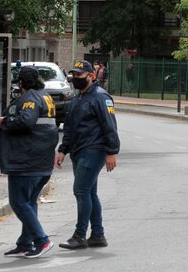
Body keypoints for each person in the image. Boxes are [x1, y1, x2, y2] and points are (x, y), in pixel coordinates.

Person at [55, 60, 120, 250]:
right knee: (90, 193)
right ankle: (98, 235)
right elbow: (69, 128)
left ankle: (79, 235)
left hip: (94, 150)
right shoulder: (77, 99)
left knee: (81, 191)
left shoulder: (101, 97)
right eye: (74, 75)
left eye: (80, 75)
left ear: (91, 76)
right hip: (78, 151)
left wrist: (111, 152)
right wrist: (62, 149)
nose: (76, 79)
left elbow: (110, 126)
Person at [0, 66, 58, 259]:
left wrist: (3, 121)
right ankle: (25, 243)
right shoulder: (45, 95)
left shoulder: (31, 97)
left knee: (18, 202)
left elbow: (25, 121)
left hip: (27, 161)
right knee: (29, 202)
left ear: (21, 82)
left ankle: (41, 240)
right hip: (41, 160)